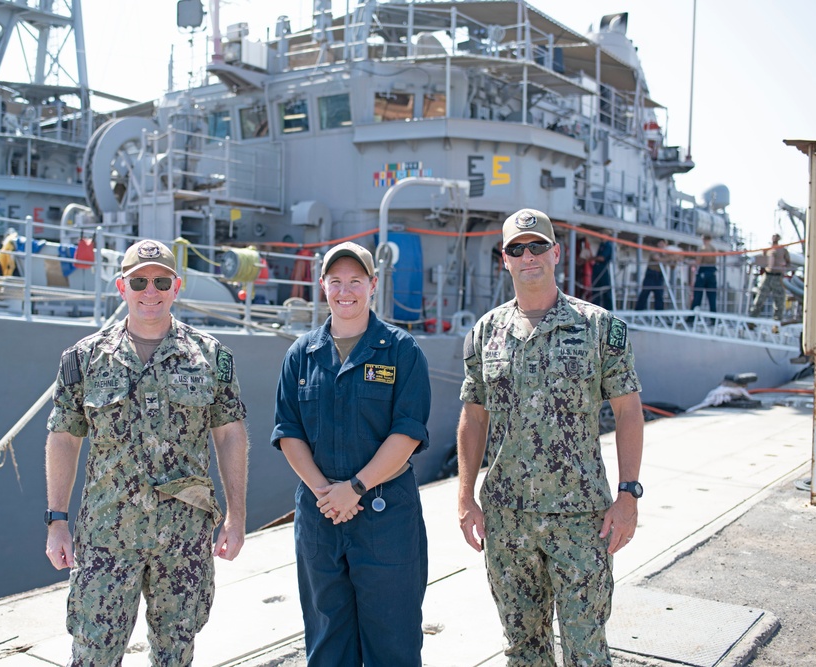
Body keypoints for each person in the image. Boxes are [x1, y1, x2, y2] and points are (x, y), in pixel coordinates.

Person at [45, 239, 249, 666]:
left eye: (160, 281)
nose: (150, 290)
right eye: (139, 280)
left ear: (177, 286)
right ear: (122, 287)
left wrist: (236, 516)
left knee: (176, 654)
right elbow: (64, 438)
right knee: (93, 654)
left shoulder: (211, 357)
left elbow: (230, 434)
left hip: (184, 538)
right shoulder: (84, 359)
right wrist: (56, 522)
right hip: (106, 537)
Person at [456, 209, 645, 666]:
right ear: (505, 260)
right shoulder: (486, 333)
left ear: (556, 253)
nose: (528, 257)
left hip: (581, 520)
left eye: (537, 246)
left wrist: (628, 494)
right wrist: (465, 497)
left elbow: (628, 412)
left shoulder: (600, 327)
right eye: (517, 249)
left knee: (586, 650)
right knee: (524, 651)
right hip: (507, 521)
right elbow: (473, 417)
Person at [272, 241, 432, 667]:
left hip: (386, 518)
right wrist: (328, 492)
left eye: (356, 281)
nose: (346, 291)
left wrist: (356, 488)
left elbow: (408, 432)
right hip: (321, 516)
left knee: (393, 642)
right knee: (327, 642)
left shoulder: (401, 351)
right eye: (336, 281)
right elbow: (289, 433)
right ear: (322, 285)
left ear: (373, 285)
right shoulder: (300, 355)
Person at [748, 233, 791, 321]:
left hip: (778, 277)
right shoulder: (767, 249)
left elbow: (788, 262)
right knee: (759, 299)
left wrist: (784, 268)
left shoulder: (783, 250)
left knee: (779, 301)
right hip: (767, 276)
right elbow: (761, 259)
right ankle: (751, 321)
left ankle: (777, 323)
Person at [635, 239, 671, 311]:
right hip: (651, 274)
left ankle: (659, 313)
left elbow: (672, 265)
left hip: (660, 275)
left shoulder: (666, 254)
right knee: (645, 293)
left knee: (659, 295)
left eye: (664, 244)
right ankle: (638, 310)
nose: (662, 245)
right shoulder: (654, 251)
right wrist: (670, 257)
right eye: (661, 243)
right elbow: (657, 259)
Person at [690, 234, 718, 314]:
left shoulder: (703, 248)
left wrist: (690, 262)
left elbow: (698, 261)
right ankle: (713, 318)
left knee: (697, 295)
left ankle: (692, 316)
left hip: (703, 271)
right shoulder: (714, 249)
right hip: (712, 272)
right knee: (712, 297)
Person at [590, 231, 615, 310]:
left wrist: (591, 258)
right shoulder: (602, 245)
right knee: (596, 290)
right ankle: (595, 308)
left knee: (605, 290)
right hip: (598, 269)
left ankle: (609, 309)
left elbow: (602, 258)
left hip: (603, 270)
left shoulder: (608, 245)